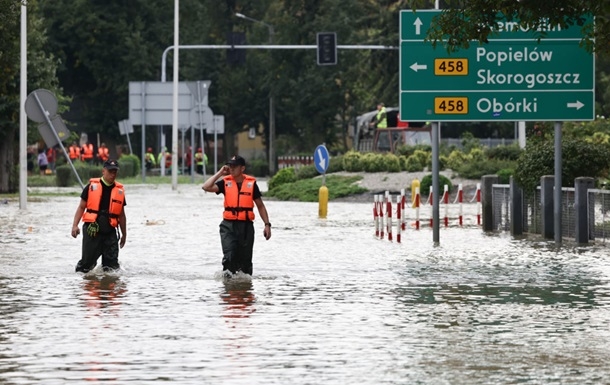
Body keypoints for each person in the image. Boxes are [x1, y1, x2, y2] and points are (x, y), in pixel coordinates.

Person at [201, 155, 271, 276]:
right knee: (229, 257)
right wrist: (220, 173)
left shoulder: (251, 184)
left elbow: (260, 205)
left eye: (234, 166)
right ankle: (228, 288)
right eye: (230, 166)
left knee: (245, 262)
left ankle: (243, 291)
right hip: (228, 226)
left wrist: (267, 224)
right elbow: (206, 187)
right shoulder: (225, 182)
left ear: (242, 168)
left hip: (246, 227)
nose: (231, 168)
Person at [71, 159, 127, 273]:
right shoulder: (91, 187)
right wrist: (75, 226)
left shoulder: (119, 191)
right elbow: (81, 207)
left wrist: (124, 235)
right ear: (103, 171)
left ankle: (108, 289)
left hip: (110, 232)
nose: (113, 174)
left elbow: (121, 216)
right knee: (86, 266)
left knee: (112, 269)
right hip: (92, 230)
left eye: (115, 171)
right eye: (110, 171)